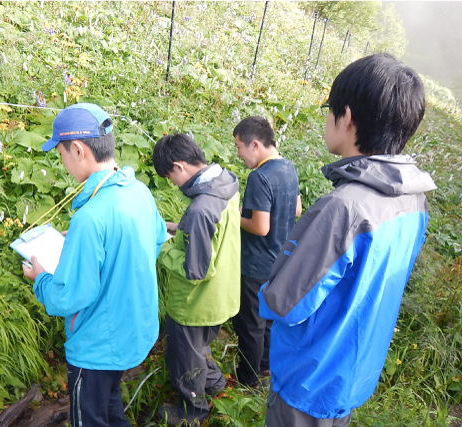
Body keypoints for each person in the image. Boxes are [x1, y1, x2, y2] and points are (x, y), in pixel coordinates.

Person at [258, 53, 436, 426]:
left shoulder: (344, 209)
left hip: (310, 382)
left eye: (330, 110)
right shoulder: (414, 201)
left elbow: (284, 304)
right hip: (355, 372)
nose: (327, 119)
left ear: (348, 118)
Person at [22, 103, 166, 427]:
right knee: (111, 407)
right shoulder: (139, 192)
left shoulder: (90, 217)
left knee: (90, 418)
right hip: (131, 329)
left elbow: (68, 297)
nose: (62, 162)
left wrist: (40, 278)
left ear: (77, 149)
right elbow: (154, 240)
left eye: (60, 153)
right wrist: (83, 242)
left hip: (96, 345)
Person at [152, 133, 241, 425]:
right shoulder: (225, 183)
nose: (172, 184)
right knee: (199, 347)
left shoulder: (201, 208)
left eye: (170, 177)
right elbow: (213, 235)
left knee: (185, 361)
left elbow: (196, 270)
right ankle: (215, 384)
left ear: (179, 166)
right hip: (221, 294)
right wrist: (179, 228)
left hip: (195, 304)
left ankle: (192, 413)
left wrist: (160, 247)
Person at [230, 116, 301, 389]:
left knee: (250, 325)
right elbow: (296, 210)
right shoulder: (288, 167)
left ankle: (247, 380)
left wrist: (231, 215)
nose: (238, 153)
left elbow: (260, 227)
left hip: (256, 263)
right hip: (280, 259)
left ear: (255, 144)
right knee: (269, 321)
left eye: (239, 146)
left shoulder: (259, 177)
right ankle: (264, 367)